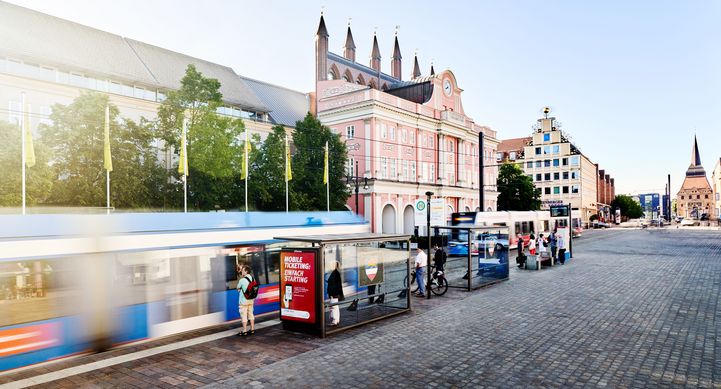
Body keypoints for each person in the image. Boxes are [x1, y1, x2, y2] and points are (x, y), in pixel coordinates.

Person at [237, 265, 255, 336]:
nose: (241, 271)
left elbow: (238, 288)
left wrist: (241, 289)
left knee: (244, 315)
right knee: (251, 314)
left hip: (243, 301)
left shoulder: (242, 280)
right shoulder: (253, 279)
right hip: (251, 300)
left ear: (246, 271)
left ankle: (244, 331)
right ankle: (252, 329)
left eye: (243, 270)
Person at [327, 261, 344, 326]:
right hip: (334, 293)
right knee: (335, 306)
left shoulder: (335, 273)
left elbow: (335, 285)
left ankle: (335, 320)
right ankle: (336, 320)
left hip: (334, 293)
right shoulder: (335, 272)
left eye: (332, 265)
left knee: (334, 307)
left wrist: (332, 294)